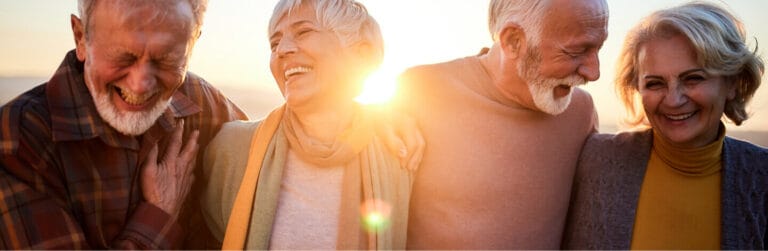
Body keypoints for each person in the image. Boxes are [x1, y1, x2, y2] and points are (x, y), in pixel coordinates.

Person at [0, 0, 248, 249]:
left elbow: (277, 161)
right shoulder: (17, 141)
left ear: (192, 45)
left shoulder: (202, 103)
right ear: (81, 39)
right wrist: (159, 215)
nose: (140, 84)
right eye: (122, 56)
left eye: (166, 59)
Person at [201, 0, 419, 249]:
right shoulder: (232, 149)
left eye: (304, 31)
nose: (282, 49)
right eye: (274, 42)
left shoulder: (400, 155)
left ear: (361, 53)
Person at [394, 0, 608, 249]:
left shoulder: (580, 113)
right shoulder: (420, 91)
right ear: (513, 41)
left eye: (598, 49)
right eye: (575, 52)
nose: (594, 73)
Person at [562, 2, 767, 249]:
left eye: (693, 79)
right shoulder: (594, 161)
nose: (673, 100)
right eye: (655, 83)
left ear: (733, 82)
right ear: (636, 87)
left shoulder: (762, 177)